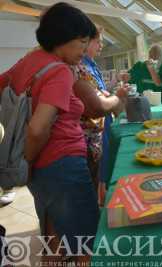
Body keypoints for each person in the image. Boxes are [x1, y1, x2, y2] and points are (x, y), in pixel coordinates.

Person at [0, 3, 99, 264]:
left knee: (53, 238)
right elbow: (38, 127)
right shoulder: (59, 71)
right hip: (63, 166)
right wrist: (27, 158)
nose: (83, 51)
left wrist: (29, 162)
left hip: (41, 174)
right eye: (81, 42)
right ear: (63, 38)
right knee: (87, 242)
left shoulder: (28, 61)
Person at [73, 26, 128, 192]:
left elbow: (98, 92)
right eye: (98, 42)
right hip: (89, 133)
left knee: (102, 171)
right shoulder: (79, 67)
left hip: (99, 129)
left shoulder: (90, 65)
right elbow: (96, 105)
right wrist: (116, 97)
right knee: (96, 177)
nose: (101, 46)